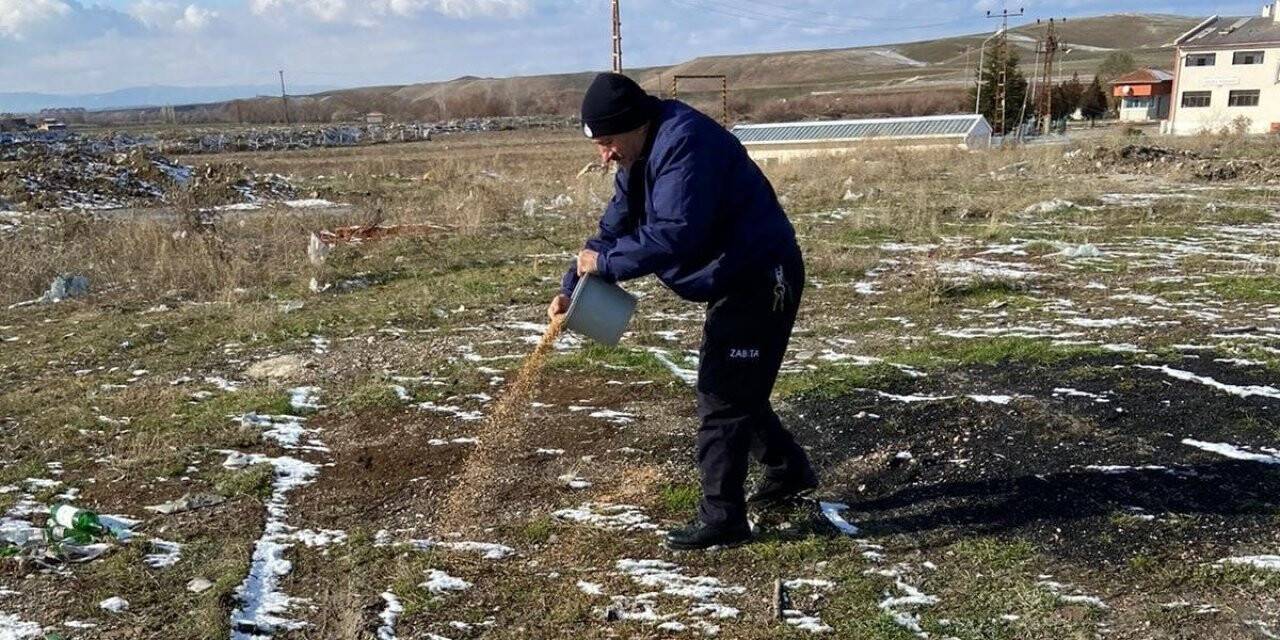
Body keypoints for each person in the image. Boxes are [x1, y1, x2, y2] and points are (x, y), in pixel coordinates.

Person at [549, 72, 817, 550]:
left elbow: (676, 234)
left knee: (723, 393)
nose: (605, 154)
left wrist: (606, 264)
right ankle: (788, 471)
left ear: (633, 124)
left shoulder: (685, 143)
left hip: (761, 274)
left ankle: (723, 518)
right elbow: (611, 229)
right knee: (739, 384)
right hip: (734, 274)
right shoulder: (638, 153)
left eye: (609, 141)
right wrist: (574, 287)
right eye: (598, 144)